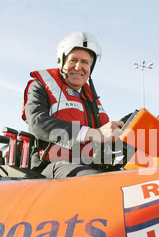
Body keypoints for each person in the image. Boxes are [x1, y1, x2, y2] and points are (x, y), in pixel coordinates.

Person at [22, 31, 124, 178]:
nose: (78, 67)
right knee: (94, 181)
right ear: (62, 61)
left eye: (85, 62)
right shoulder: (40, 86)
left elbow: (104, 134)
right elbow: (37, 123)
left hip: (90, 164)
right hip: (52, 165)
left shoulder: (90, 98)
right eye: (73, 60)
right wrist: (94, 133)